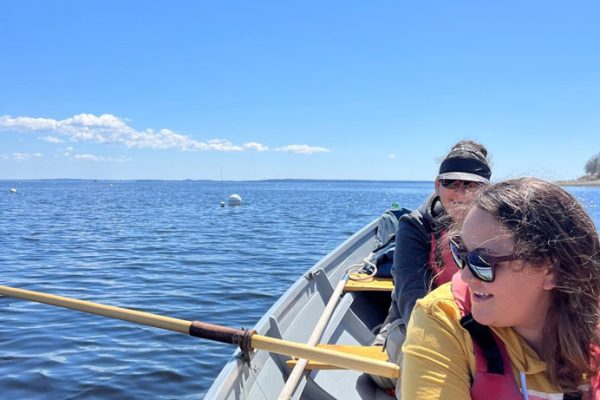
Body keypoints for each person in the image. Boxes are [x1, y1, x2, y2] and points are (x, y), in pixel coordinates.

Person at [400, 178, 600, 399]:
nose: (464, 276)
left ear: (551, 270)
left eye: (482, 262)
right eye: (461, 253)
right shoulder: (442, 319)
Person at [371, 140, 492, 390]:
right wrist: (452, 343)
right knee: (426, 365)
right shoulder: (415, 226)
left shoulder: (498, 228)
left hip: (484, 320)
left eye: (470, 184)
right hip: (417, 322)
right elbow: (410, 297)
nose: (460, 192)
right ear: (438, 185)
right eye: (451, 183)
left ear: (485, 189)